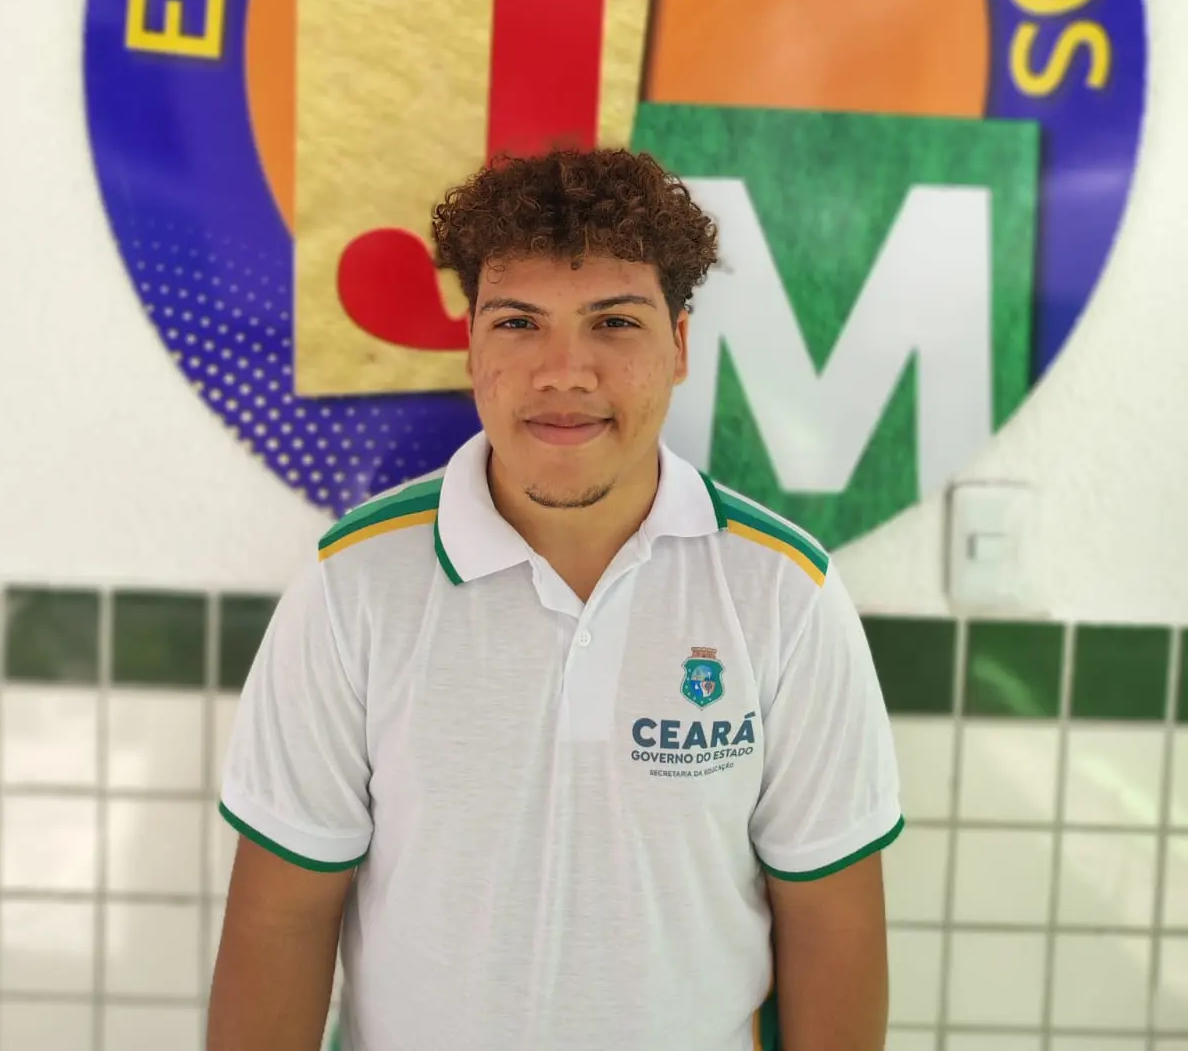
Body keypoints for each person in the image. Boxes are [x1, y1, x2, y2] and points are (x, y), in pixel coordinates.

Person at [208, 148, 903, 1051]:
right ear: (471, 347)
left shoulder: (784, 594)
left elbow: (835, 930)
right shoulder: (354, 587)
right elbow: (280, 923)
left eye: (613, 322)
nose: (563, 371)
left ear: (679, 347)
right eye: (518, 323)